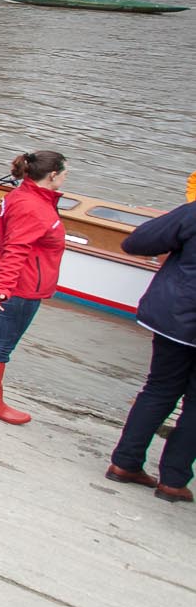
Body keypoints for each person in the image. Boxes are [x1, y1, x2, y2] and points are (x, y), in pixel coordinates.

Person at [0, 150, 68, 425]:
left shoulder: (23, 197)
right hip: (21, 285)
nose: (67, 177)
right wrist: (4, 288)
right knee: (1, 343)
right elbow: (16, 249)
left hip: (16, 280)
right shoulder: (33, 206)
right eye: (65, 172)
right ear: (53, 175)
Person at [107, 199, 196, 502]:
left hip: (176, 315)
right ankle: (174, 480)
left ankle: (125, 462)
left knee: (159, 389)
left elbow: (137, 242)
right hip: (180, 315)